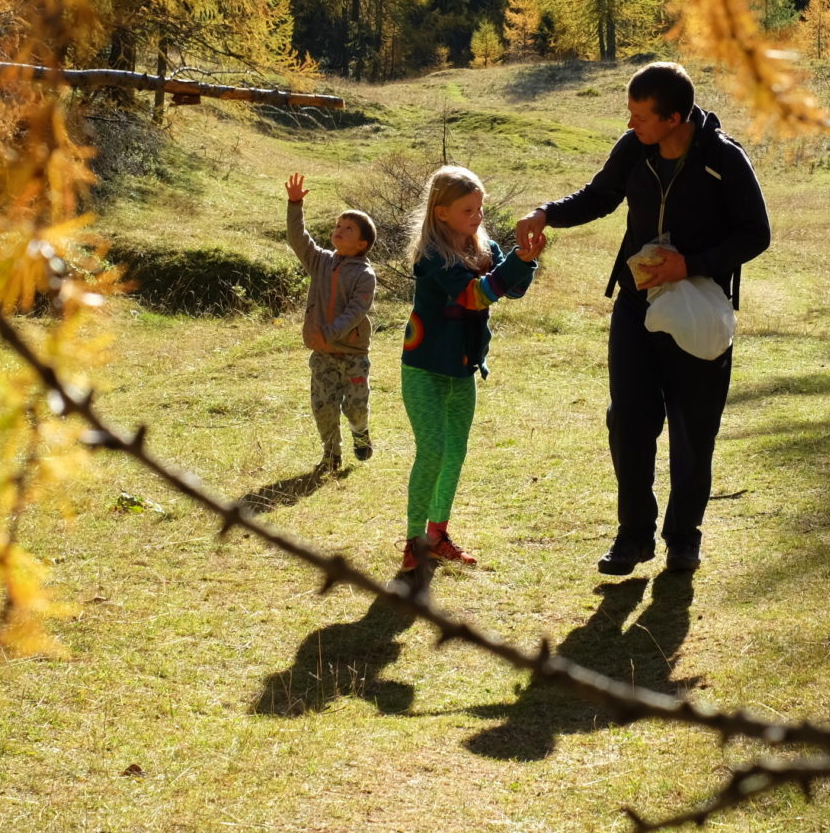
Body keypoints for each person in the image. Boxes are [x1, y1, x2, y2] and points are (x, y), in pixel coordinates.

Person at [514, 62, 769, 575]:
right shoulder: (634, 149)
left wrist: (690, 264)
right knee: (627, 421)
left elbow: (755, 234)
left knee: (693, 430)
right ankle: (633, 538)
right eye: (629, 116)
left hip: (698, 312)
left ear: (675, 117)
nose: (631, 126)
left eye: (640, 117)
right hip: (636, 305)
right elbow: (599, 196)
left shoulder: (724, 160)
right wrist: (546, 212)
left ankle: (683, 539)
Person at [399, 164, 543, 574]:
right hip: (425, 368)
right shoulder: (431, 256)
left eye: (480, 208)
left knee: (455, 453)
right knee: (432, 452)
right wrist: (516, 261)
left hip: (462, 369)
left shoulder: (485, 248)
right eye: (468, 210)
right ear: (441, 212)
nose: (477, 216)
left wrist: (525, 259)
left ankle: (437, 535)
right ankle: (413, 542)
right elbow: (474, 297)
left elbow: (512, 290)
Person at [284, 173, 378, 474]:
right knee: (323, 407)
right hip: (322, 353)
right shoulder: (321, 261)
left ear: (362, 243)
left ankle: (360, 432)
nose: (339, 230)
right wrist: (295, 204)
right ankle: (331, 456)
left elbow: (356, 310)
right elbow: (298, 239)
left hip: (353, 355)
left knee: (355, 407)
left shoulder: (365, 275)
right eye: (338, 226)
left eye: (347, 229)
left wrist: (330, 332)